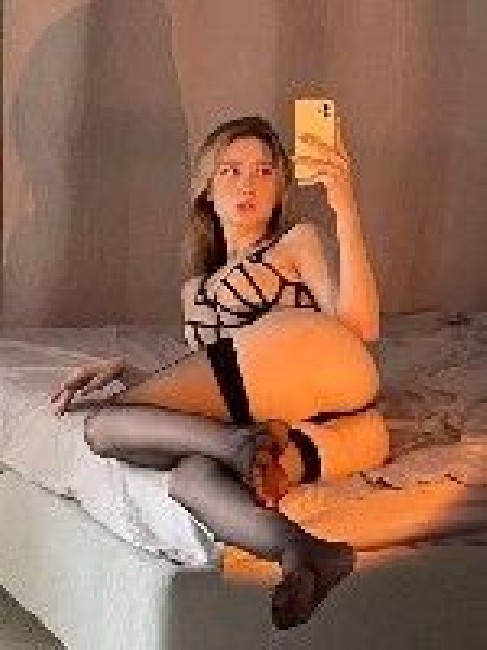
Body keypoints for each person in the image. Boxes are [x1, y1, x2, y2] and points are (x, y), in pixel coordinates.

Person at [49, 115, 388, 630]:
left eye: (264, 172)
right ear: (206, 188)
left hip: (328, 373)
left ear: (281, 189)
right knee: (191, 477)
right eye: (230, 171)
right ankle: (302, 551)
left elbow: (361, 329)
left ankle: (239, 444)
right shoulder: (195, 291)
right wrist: (128, 371)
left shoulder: (296, 243)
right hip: (328, 430)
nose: (247, 184)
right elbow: (216, 386)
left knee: (104, 427)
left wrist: (344, 205)